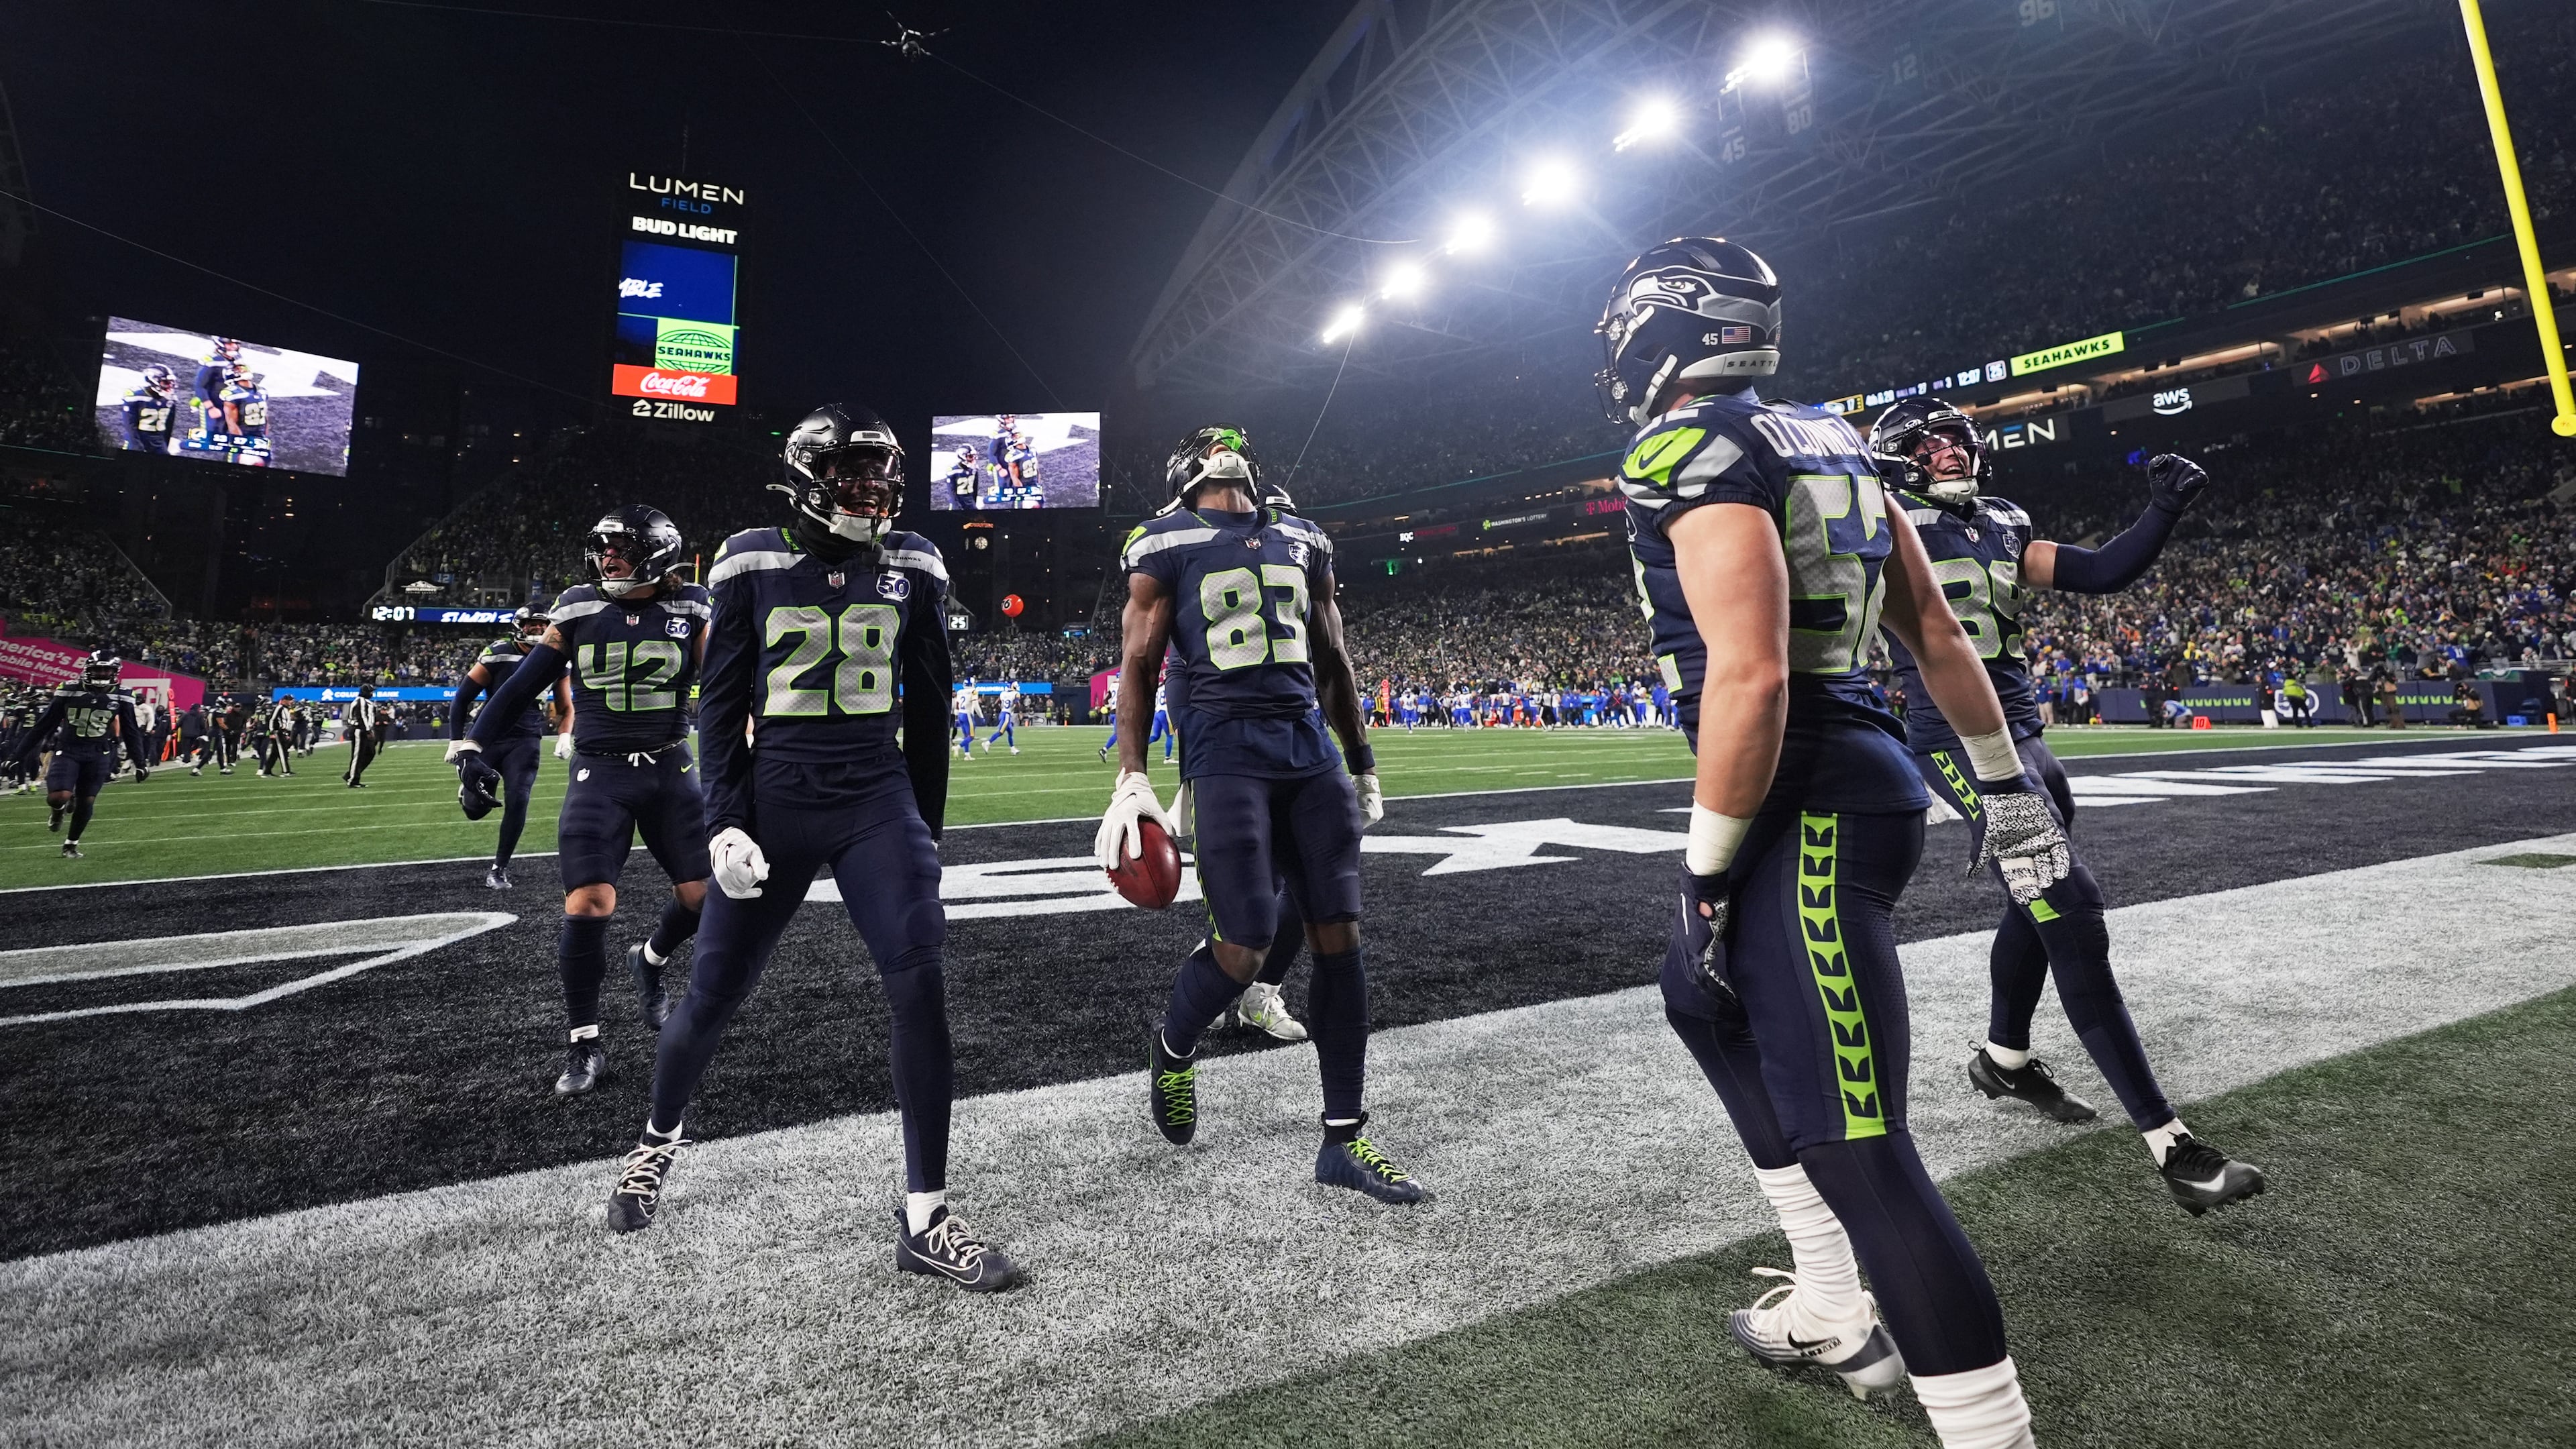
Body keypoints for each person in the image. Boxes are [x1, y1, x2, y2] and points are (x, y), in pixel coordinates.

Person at [1596, 237, 2072, 1440]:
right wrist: (2006, 788)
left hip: (1805, 800)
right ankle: (1825, 1302)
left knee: (1860, 1145)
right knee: (1698, 998)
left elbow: (1752, 677)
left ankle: (1988, 1426)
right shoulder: (1837, 437)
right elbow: (1937, 636)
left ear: (1663, 332)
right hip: (1850, 779)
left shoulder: (1687, 447)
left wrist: (1706, 868)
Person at [604, 403, 1019, 1291]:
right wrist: (724, 821)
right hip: (777, 798)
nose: (871, 490)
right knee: (713, 992)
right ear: (805, 479)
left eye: (880, 473)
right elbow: (721, 706)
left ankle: (926, 1218)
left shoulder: (914, 562)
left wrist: (928, 831)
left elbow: (931, 710)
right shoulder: (749, 558)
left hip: (876, 795)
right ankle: (656, 1141)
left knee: (920, 980)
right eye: (851, 474)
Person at [1870, 397, 2265, 1218]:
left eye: (1955, 439)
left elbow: (2098, 571)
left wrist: (2162, 510)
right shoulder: (1880, 522)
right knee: (2073, 913)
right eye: (1926, 444)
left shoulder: (2003, 520)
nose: (1947, 451)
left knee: (2039, 903)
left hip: (2027, 739)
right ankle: (2171, 1144)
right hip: (1960, 745)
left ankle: (2004, 1060)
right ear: (1899, 461)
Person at [1102, 423, 1415, 1203]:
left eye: (1234, 441)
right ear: (1184, 473)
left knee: (1338, 938)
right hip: (1226, 753)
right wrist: (1132, 776)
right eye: (1210, 444)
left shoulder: (1304, 536)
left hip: (1308, 751)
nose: (1225, 447)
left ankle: (1343, 1139)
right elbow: (1138, 665)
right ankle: (1175, 1047)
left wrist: (1361, 758)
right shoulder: (1162, 541)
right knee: (1243, 946)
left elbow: (1333, 658)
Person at [455, 507, 711, 1093]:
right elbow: (521, 686)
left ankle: (649, 959)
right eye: (603, 547)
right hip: (601, 773)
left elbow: (725, 682)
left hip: (671, 768)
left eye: (621, 547)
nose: (607, 557)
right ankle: (584, 1044)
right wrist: (471, 747)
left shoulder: (692, 605)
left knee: (702, 899)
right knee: (589, 903)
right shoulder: (577, 605)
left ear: (656, 551)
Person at [451, 605, 572, 889]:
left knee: (519, 800)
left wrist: (565, 735)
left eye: (542, 625)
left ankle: (499, 868)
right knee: (474, 810)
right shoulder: (500, 652)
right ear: (519, 626)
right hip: (489, 736)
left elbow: (566, 707)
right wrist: (456, 741)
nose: (538, 629)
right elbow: (462, 697)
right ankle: (468, 793)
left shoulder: (558, 658)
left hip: (526, 738)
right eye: (532, 624)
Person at [13, 651, 152, 859]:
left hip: (98, 752)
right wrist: (17, 755)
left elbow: (130, 730)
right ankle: (58, 810)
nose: (102, 674)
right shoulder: (69, 690)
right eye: (98, 669)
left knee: (86, 801)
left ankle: (71, 844)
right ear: (88, 669)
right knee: (59, 796)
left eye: (107, 670)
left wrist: (140, 762)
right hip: (68, 749)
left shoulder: (122, 695)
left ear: (115, 672)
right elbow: (43, 725)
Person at [119, 365, 182, 454]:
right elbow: (130, 424)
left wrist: (165, 444)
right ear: (153, 381)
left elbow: (169, 426)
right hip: (138, 438)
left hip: (158, 441)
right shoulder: (136, 397)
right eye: (166, 383)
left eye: (171, 383)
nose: (169, 386)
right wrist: (136, 445)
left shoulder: (170, 399)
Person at [341, 685, 382, 787]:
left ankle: (351, 774)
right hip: (359, 730)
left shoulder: (364, 702)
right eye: (371, 692)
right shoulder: (361, 702)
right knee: (358, 755)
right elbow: (362, 717)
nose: (372, 694)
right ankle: (353, 780)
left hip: (364, 729)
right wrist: (368, 731)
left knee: (370, 752)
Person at [984, 684, 1021, 755]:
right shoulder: (1016, 694)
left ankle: (1013, 749)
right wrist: (1017, 706)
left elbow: (997, 703)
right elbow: (1017, 704)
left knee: (1010, 732)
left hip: (1003, 713)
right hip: (1006, 715)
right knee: (1001, 732)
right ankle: (988, 743)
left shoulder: (1003, 693)